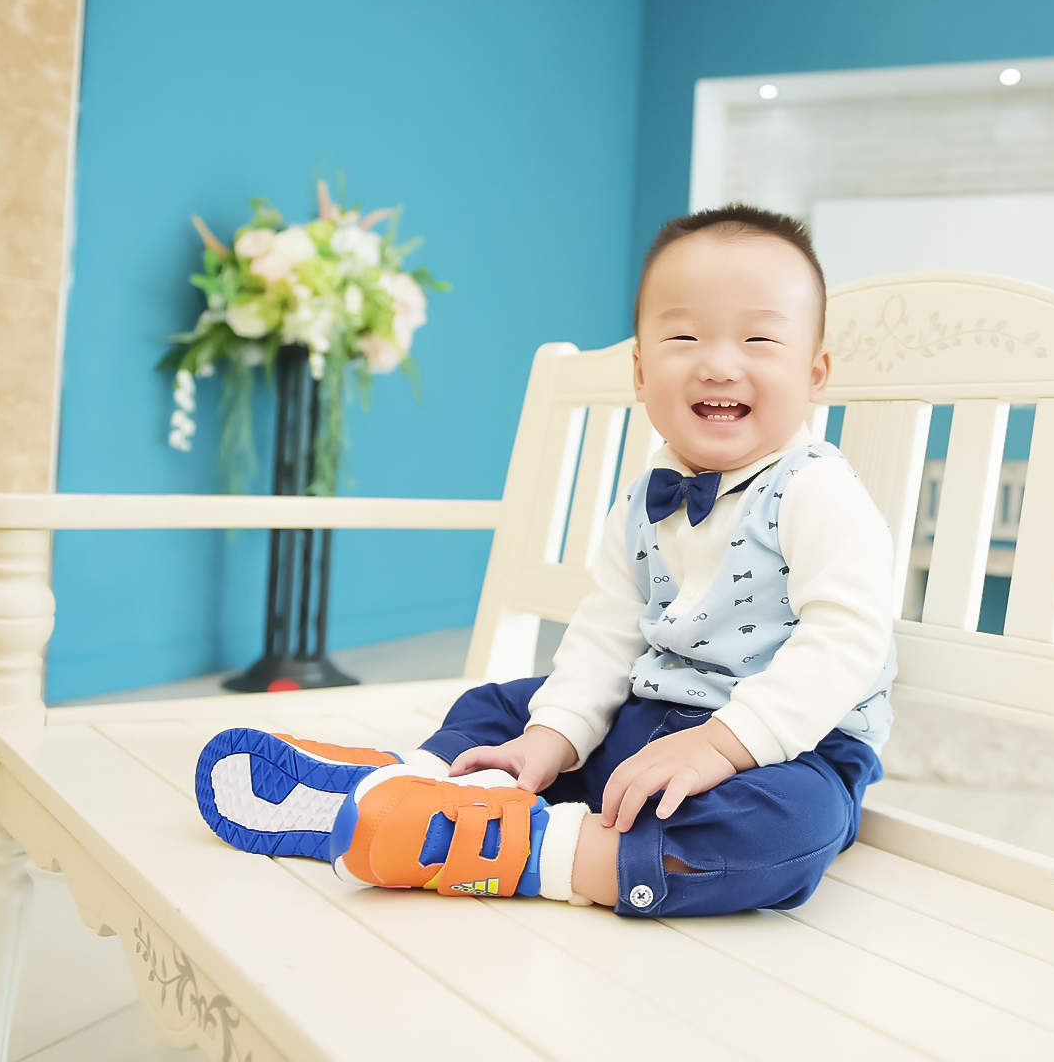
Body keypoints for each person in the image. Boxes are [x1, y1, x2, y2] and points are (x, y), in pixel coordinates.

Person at [194, 204, 896, 917]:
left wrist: (722, 744)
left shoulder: (816, 491)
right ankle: (426, 783)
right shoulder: (642, 499)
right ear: (640, 370)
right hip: (647, 716)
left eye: (759, 339)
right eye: (684, 336)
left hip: (785, 747)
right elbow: (605, 633)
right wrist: (552, 737)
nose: (718, 363)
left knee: (790, 829)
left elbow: (847, 640)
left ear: (815, 373)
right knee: (506, 705)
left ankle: (521, 847)